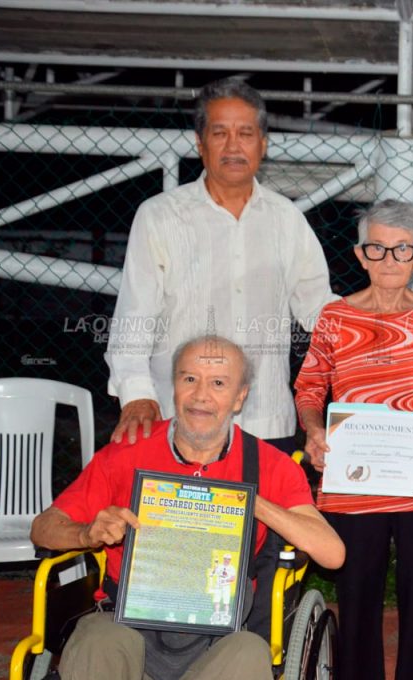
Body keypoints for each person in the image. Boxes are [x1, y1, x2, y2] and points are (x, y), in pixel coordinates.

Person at [31, 336, 345, 680]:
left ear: (240, 397)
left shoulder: (270, 465)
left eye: (219, 383)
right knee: (96, 640)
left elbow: (332, 554)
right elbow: (44, 527)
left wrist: (251, 502)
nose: (201, 396)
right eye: (189, 379)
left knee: (249, 653)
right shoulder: (125, 455)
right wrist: (87, 533)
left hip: (220, 634)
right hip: (126, 620)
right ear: (174, 386)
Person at [294, 199, 413, 680]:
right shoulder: (334, 318)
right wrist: (314, 429)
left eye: (402, 250)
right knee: (356, 598)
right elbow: (310, 387)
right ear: (360, 255)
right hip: (355, 481)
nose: (389, 261)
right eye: (377, 249)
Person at [105, 77, 334, 454]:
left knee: (262, 514)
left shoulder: (286, 218)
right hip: (181, 419)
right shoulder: (160, 216)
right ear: (200, 143)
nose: (233, 146)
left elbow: (317, 309)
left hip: (265, 419)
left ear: (263, 143)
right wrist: (136, 396)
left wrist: (383, 329)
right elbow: (135, 316)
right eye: (219, 133)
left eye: (245, 133)